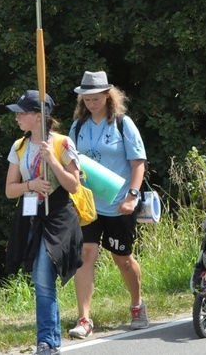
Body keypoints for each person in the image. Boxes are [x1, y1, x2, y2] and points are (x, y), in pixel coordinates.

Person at [68, 71, 148, 339]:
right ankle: (84, 319)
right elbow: (71, 163)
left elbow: (139, 163)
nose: (92, 103)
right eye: (87, 99)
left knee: (122, 260)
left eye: (96, 98)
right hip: (88, 206)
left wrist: (132, 196)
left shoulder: (123, 125)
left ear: (108, 96)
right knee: (85, 256)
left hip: (119, 204)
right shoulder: (78, 127)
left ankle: (137, 304)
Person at [4, 91, 83, 355]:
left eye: (22, 113)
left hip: (58, 216)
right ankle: (51, 339)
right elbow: (10, 190)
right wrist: (31, 184)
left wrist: (52, 161)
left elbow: (74, 185)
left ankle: (46, 341)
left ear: (38, 116)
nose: (17, 118)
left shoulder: (62, 143)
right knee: (42, 277)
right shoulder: (19, 147)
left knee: (42, 276)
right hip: (31, 216)